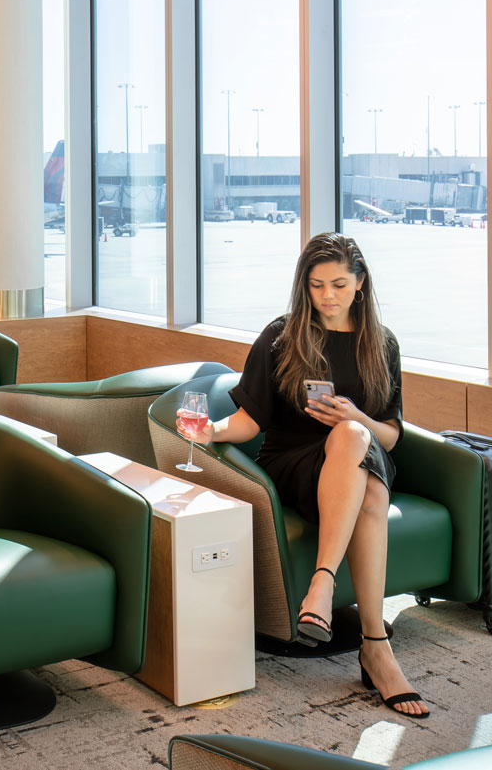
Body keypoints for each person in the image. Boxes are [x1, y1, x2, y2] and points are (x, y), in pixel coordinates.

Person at [176, 232, 427, 718]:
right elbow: (251, 421)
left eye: (337, 284)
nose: (327, 296)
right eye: (315, 285)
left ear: (360, 284)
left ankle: (364, 634)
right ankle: (354, 621)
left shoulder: (382, 344)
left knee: (362, 461)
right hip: (292, 464)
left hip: (360, 458)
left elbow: (391, 436)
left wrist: (357, 416)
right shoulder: (281, 336)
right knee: (362, 465)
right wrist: (211, 431)